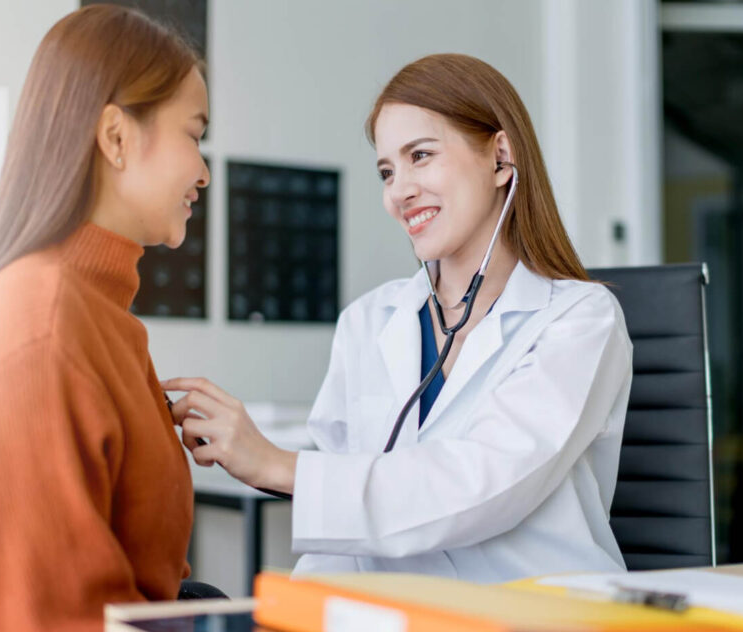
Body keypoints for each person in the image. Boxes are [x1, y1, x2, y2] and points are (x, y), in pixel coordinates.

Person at [164, 53, 632, 583]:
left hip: (540, 628)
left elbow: (481, 486)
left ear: (501, 158)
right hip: (402, 630)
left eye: (421, 155)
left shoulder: (578, 321)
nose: (399, 191)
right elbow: (343, 535)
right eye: (388, 170)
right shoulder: (368, 322)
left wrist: (275, 463)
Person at [0, 5, 209, 632]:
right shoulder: (38, 314)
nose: (204, 171)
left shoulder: (100, 310)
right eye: (195, 135)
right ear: (115, 135)